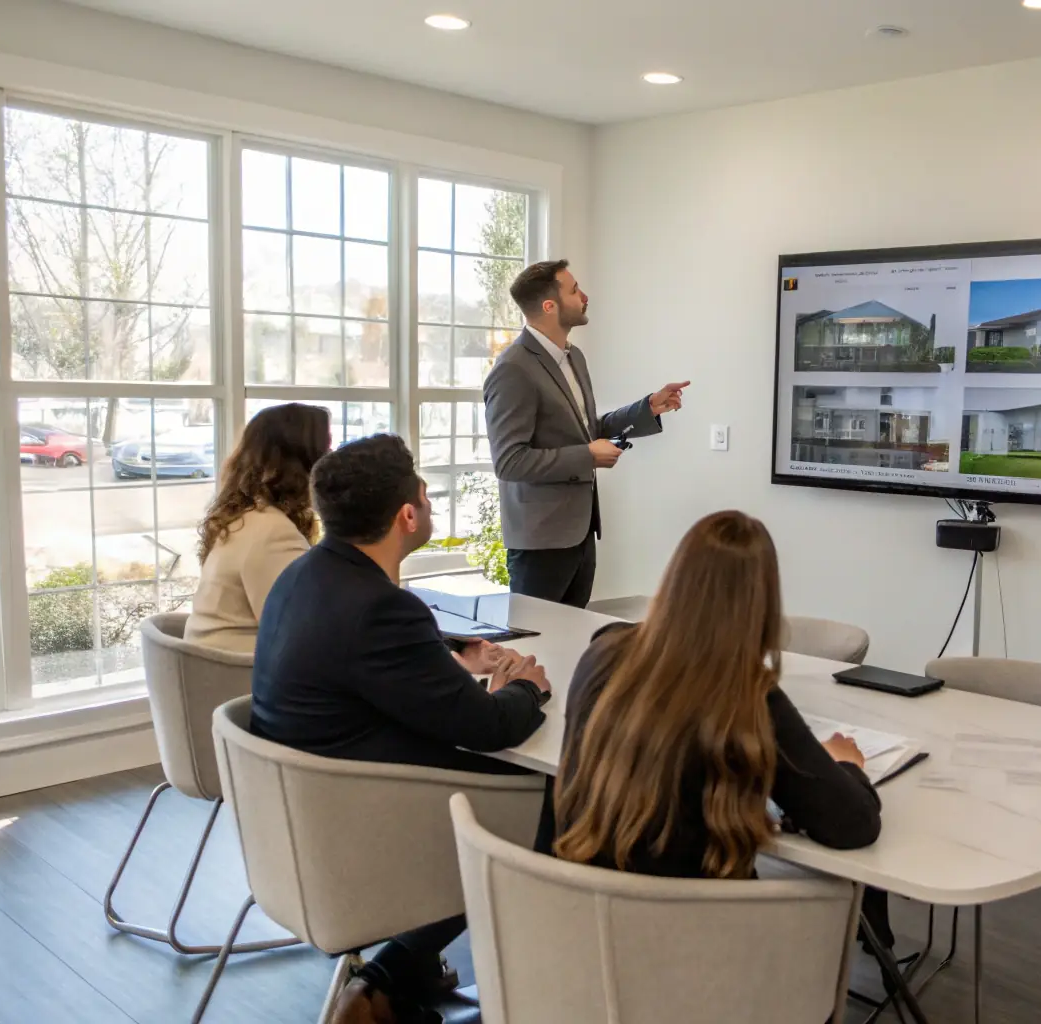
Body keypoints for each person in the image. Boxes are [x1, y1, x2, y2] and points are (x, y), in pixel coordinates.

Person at [250, 434, 552, 1024]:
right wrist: (525, 685)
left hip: (301, 813)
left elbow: (361, 660)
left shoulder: (305, 576)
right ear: (407, 515)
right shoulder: (381, 608)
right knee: (556, 794)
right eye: (427, 495)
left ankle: (405, 974)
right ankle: (397, 975)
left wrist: (449, 655)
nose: (430, 504)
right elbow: (489, 727)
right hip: (372, 819)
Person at [539, 510, 894, 952]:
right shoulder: (744, 695)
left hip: (581, 930)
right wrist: (846, 764)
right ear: (762, 606)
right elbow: (852, 825)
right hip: (698, 950)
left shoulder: (605, 650)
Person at [483, 259, 689, 608]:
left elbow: (586, 430)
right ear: (550, 306)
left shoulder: (574, 357)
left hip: (580, 534)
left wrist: (648, 408)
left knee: (570, 643)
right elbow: (509, 462)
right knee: (537, 646)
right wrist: (588, 456)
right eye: (575, 290)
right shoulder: (513, 370)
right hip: (540, 542)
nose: (585, 296)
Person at [185, 403, 331, 652]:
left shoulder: (243, 518)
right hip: (241, 677)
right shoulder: (273, 532)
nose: (333, 460)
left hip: (213, 673)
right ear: (305, 462)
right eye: (327, 449)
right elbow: (301, 635)